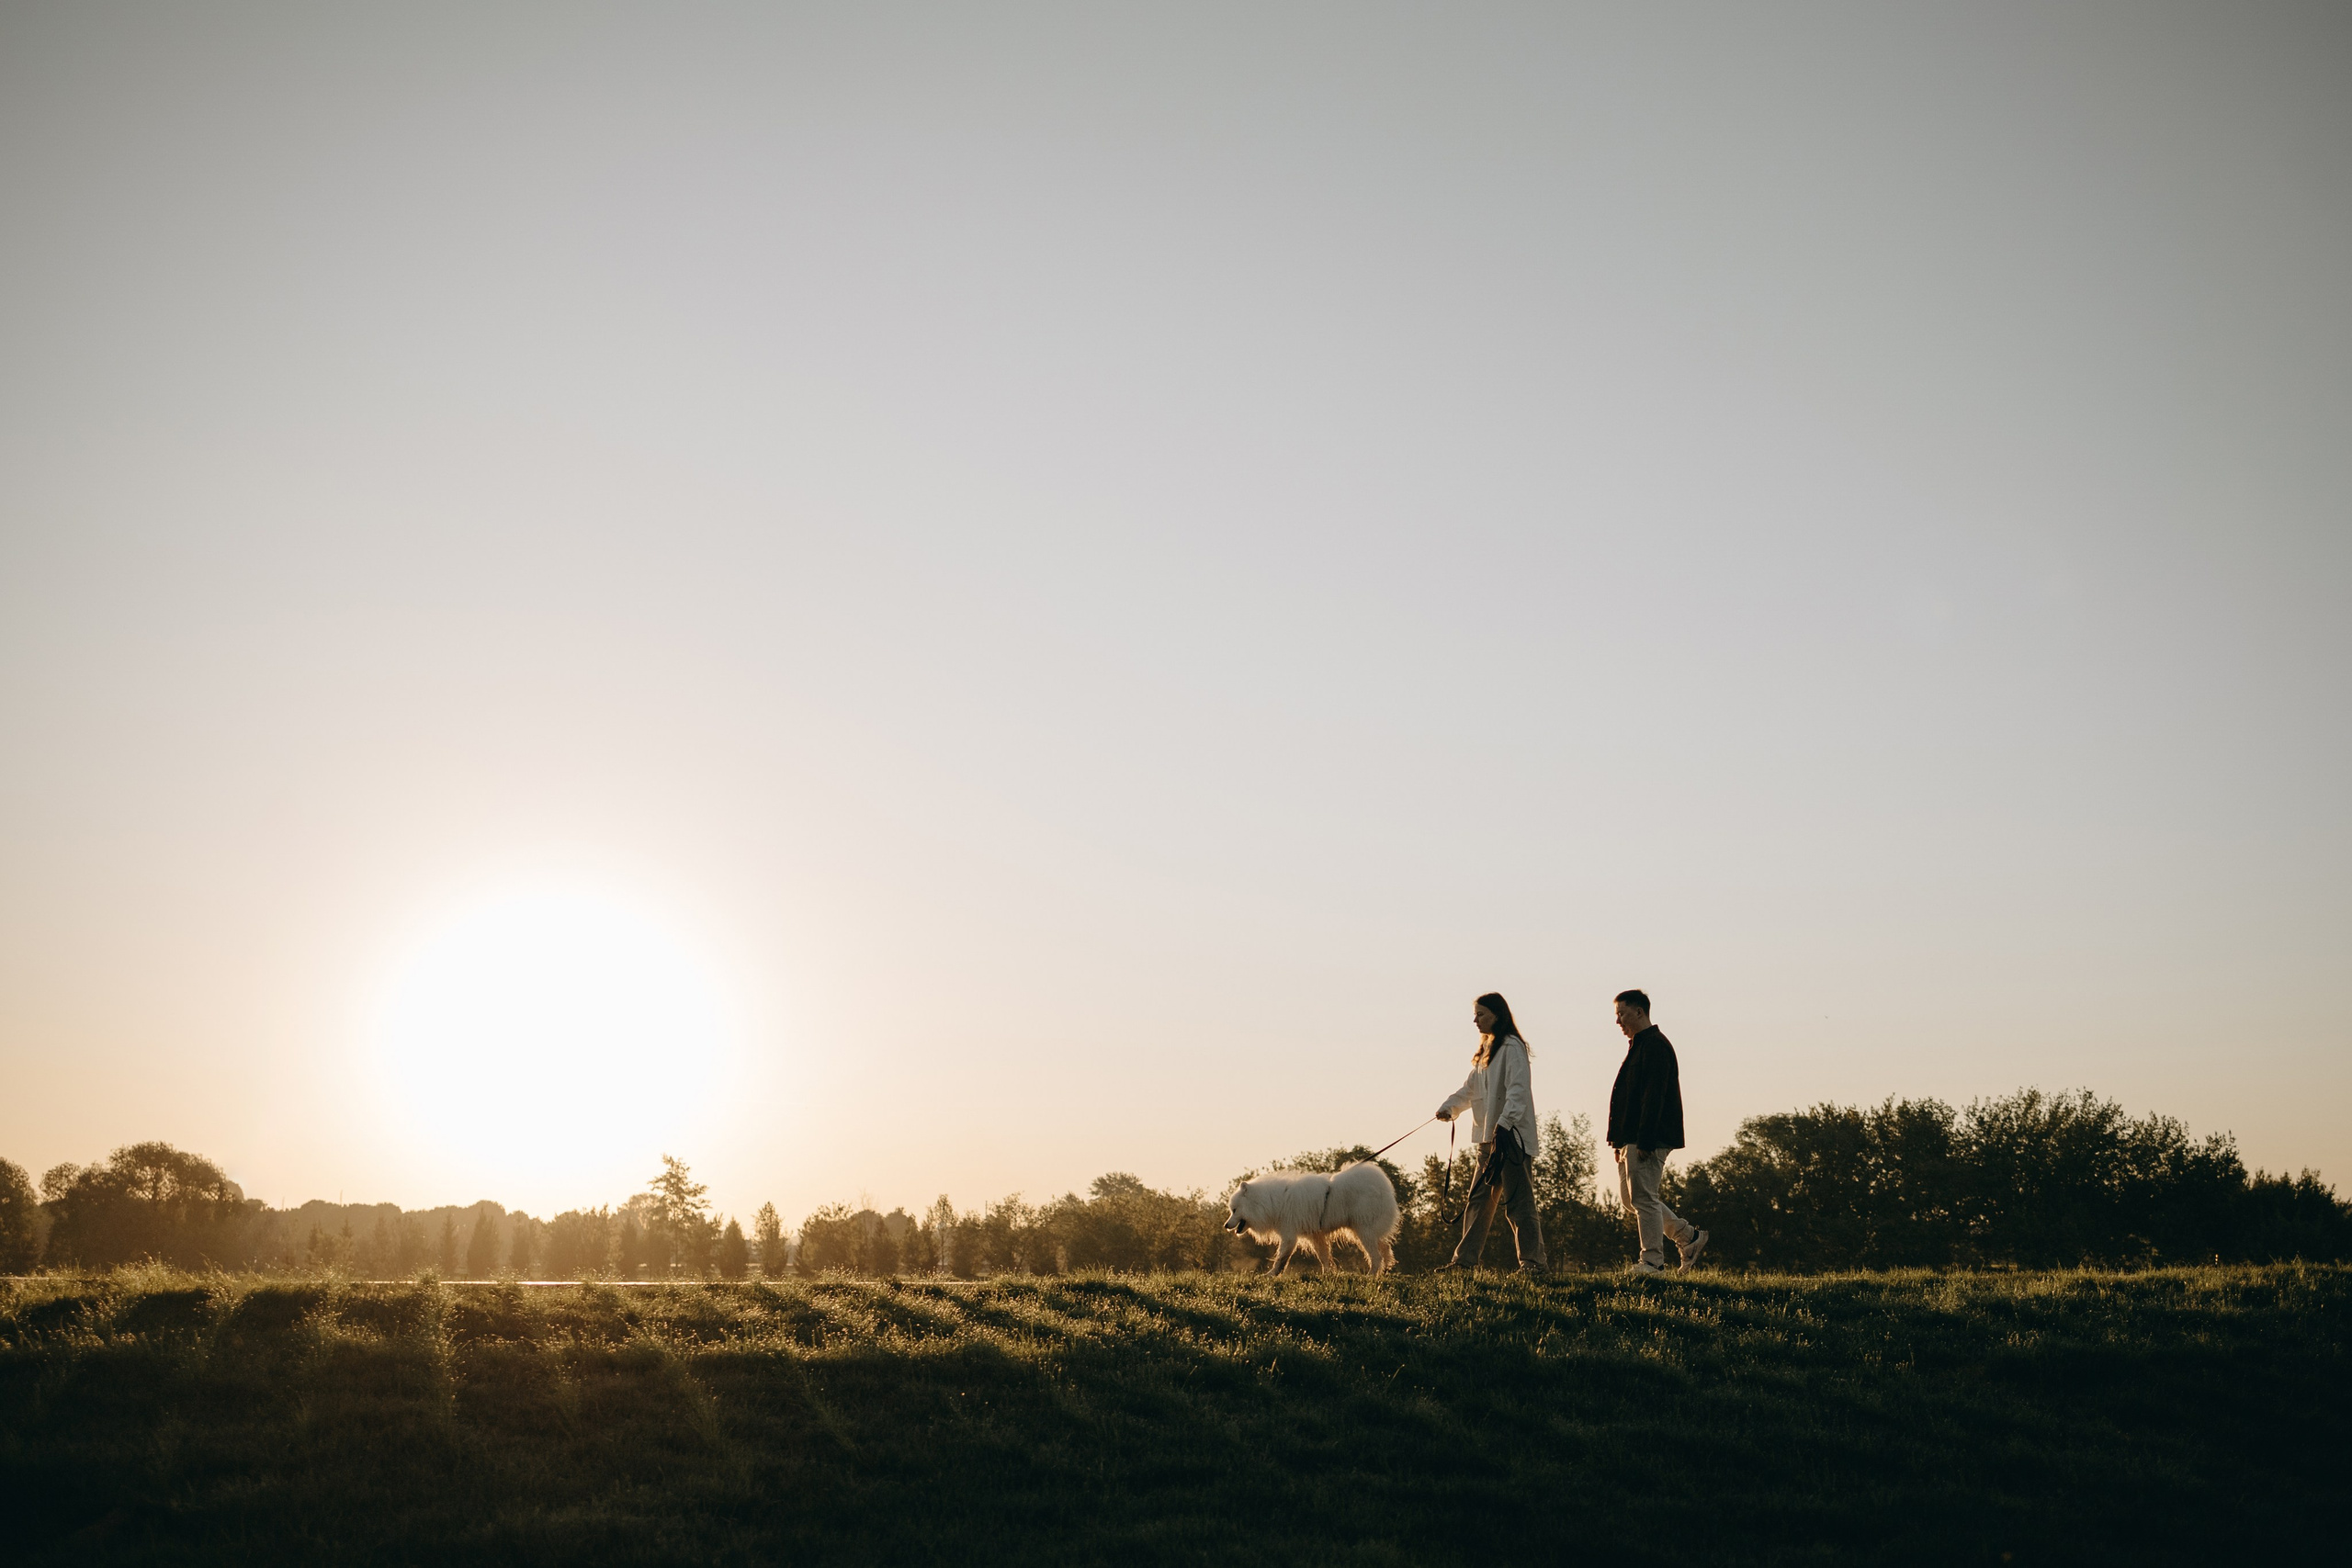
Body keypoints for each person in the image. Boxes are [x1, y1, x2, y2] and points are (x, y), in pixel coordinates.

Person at [1434, 992, 1547, 1273]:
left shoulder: (1512, 1047)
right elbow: (1470, 1089)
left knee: (1519, 1204)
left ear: (1497, 1015)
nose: (1475, 1020)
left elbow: (1518, 1090)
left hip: (1511, 1139)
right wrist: (1449, 1108)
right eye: (1475, 1014)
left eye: (1481, 1014)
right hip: (1488, 1140)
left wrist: (1504, 1124)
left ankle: (1534, 1264)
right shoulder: (1486, 1051)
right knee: (1478, 1202)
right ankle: (1464, 1263)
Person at [1607, 989, 1706, 1274]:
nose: (1617, 1021)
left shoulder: (1656, 1046)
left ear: (1639, 1012)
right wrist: (1618, 1141)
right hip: (1630, 1138)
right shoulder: (1639, 1046)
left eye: (1621, 1014)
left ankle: (1652, 1262)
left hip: (1648, 1137)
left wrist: (1645, 1139)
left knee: (1643, 1198)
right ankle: (1688, 1237)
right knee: (1632, 1200)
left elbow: (1654, 1096)